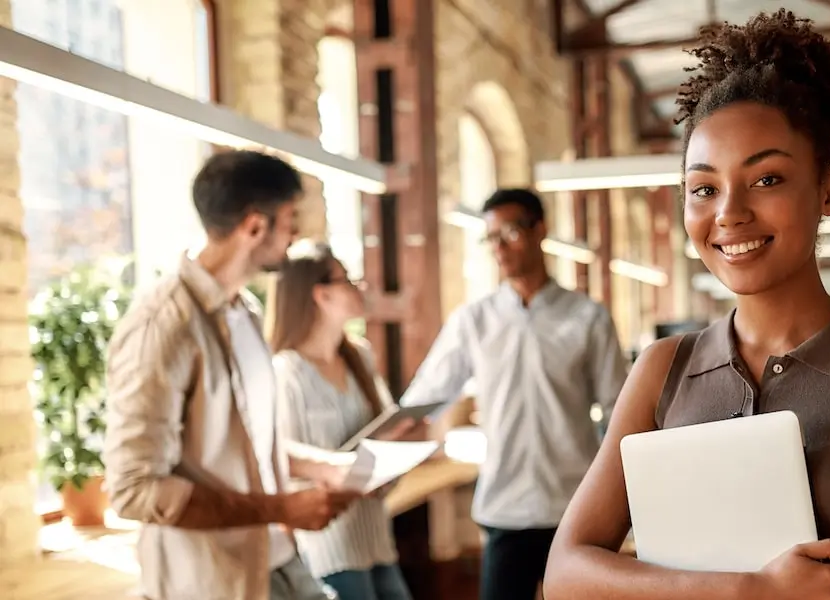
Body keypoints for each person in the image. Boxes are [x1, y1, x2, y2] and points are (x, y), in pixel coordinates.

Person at [542, 10, 830, 600]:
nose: (728, 212)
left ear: (829, 189)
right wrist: (753, 590)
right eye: (704, 188)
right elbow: (566, 574)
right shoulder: (662, 370)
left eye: (767, 179)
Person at [103, 150, 359, 600]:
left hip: (276, 557)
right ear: (254, 225)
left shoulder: (245, 311)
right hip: (212, 580)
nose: (296, 233)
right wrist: (282, 507)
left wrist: (323, 466)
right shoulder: (163, 325)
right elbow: (135, 488)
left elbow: (241, 442)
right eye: (289, 219)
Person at [398, 188, 628, 600]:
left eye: (510, 232)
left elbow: (619, 412)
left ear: (539, 229)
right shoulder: (474, 321)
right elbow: (425, 399)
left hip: (576, 507)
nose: (499, 248)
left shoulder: (588, 318)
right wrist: (374, 449)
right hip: (506, 508)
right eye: (491, 238)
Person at [270, 241, 416, 600]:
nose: (359, 286)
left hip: (377, 537)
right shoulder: (285, 372)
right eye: (346, 280)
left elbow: (385, 428)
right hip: (327, 551)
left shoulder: (360, 358)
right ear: (321, 295)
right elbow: (278, 460)